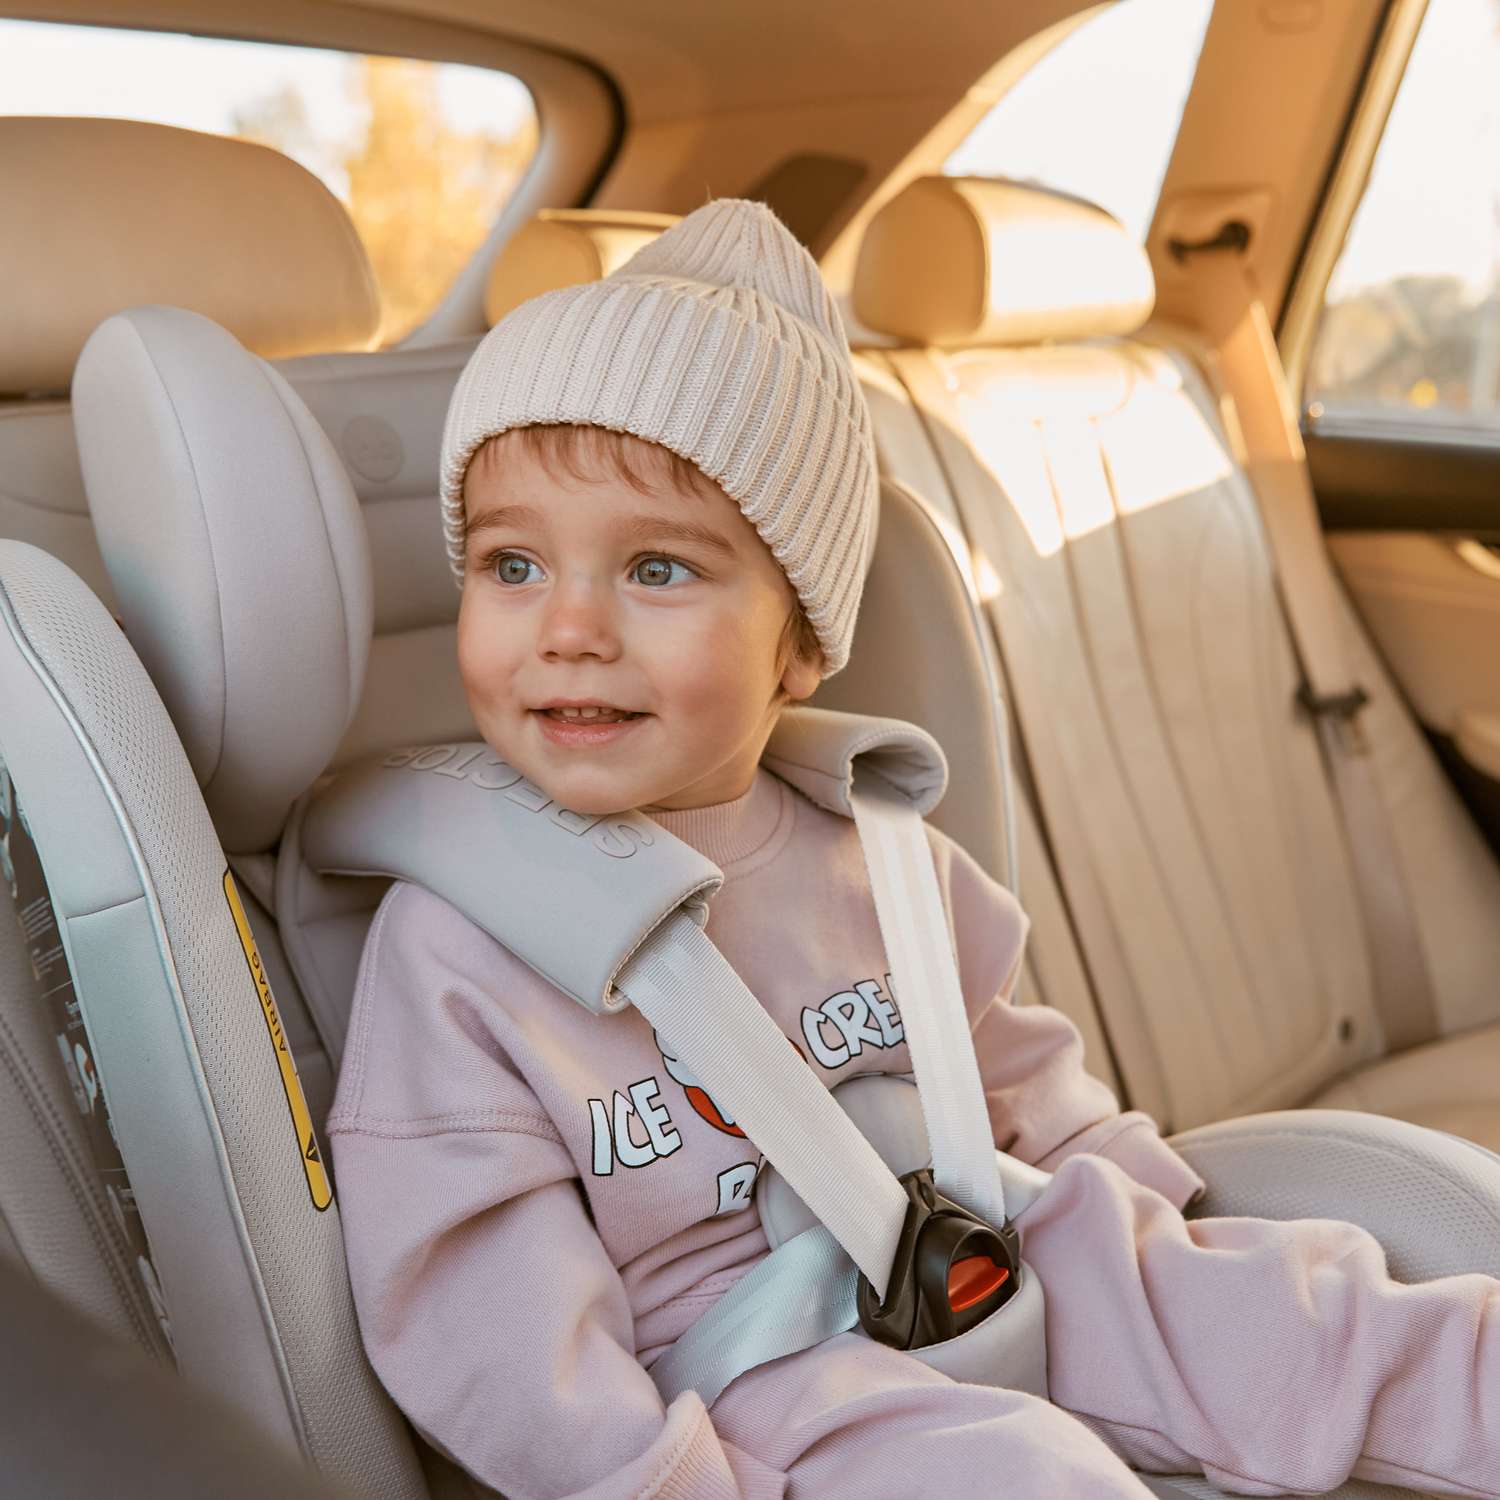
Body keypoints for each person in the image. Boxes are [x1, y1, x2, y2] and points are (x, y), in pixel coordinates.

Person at [327, 199, 1500, 1499]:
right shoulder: (455, 946)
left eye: (657, 571)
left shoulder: (879, 845)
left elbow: (1021, 1080)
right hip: (749, 1379)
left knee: (1322, 1315)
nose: (570, 627)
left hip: (984, 1243)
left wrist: (1165, 1240)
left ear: (801, 647)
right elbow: (488, 1323)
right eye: (511, 566)